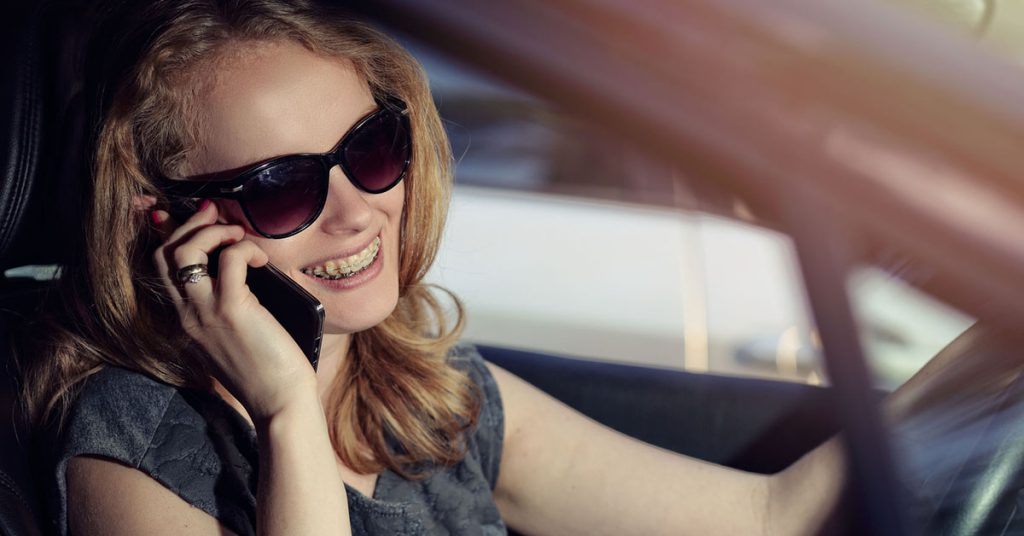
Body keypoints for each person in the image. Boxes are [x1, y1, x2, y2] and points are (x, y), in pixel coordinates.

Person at [20, 1, 927, 534]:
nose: (357, 212)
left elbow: (772, 518)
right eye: (283, 189)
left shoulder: (424, 384)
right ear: (172, 221)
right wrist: (289, 414)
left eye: (372, 150)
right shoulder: (131, 443)